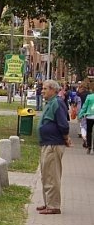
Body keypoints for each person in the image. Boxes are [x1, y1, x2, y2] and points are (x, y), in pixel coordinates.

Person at [37, 79, 72, 215]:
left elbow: (63, 124)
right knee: (46, 175)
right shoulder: (51, 103)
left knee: (52, 175)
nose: (42, 91)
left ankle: (53, 205)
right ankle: (48, 202)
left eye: (45, 88)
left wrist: (66, 138)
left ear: (53, 90)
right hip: (47, 143)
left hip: (53, 144)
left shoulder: (57, 103)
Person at [77, 86, 94, 154]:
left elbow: (84, 106)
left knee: (89, 132)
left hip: (89, 116)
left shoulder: (89, 97)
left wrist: (80, 115)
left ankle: (89, 147)